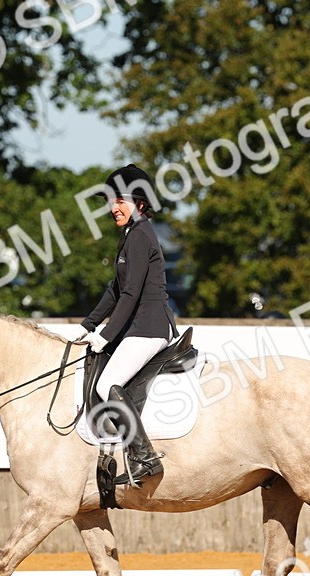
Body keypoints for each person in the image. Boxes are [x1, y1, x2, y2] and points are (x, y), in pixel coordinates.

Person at [69, 163, 177, 485]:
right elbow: (115, 290)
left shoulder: (141, 235)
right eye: (111, 201)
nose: (113, 207)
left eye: (120, 201)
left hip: (150, 326)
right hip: (139, 325)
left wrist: (106, 333)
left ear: (140, 203)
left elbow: (130, 294)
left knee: (106, 384)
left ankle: (145, 458)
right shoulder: (131, 235)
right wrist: (87, 326)